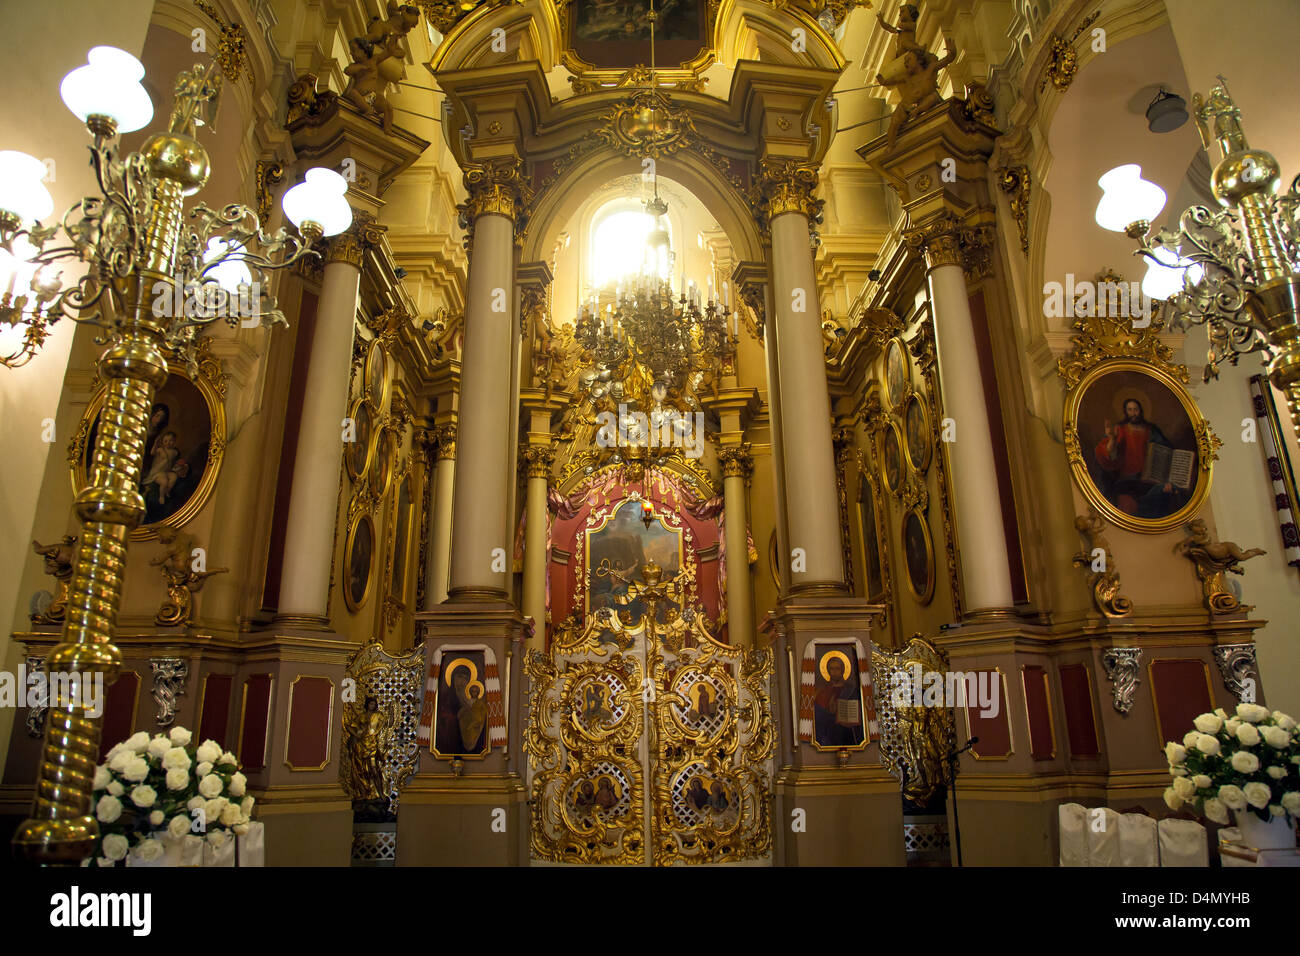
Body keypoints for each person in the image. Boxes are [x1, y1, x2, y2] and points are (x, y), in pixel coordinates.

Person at [1093, 398, 1183, 518]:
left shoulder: (1151, 430)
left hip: (1151, 480)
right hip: (1128, 481)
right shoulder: (1120, 430)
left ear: (1141, 410)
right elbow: (1109, 453)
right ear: (1126, 412)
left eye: (1136, 410)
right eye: (1130, 410)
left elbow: (1167, 452)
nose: (1133, 413)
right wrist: (1113, 439)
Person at [813, 653, 865, 747]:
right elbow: (817, 715)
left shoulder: (852, 690)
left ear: (843, 670)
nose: (834, 672)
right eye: (832, 669)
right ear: (828, 671)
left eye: (837, 668)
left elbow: (860, 712)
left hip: (847, 733)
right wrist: (829, 712)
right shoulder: (822, 690)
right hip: (829, 734)